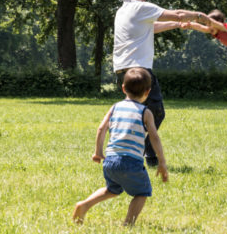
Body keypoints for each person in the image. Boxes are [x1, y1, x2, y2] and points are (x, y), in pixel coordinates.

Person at [113, 0, 226, 166]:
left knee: (138, 114)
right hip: (139, 70)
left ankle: (146, 157)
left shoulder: (122, 11)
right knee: (156, 112)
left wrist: (176, 24)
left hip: (122, 70)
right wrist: (201, 16)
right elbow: (180, 13)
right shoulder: (140, 7)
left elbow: (152, 28)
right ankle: (137, 152)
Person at [72, 68, 168, 226]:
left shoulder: (115, 107)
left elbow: (102, 128)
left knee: (112, 189)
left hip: (110, 161)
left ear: (123, 88)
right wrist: (162, 162)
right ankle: (128, 225)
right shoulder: (146, 112)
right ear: (148, 91)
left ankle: (84, 205)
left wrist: (98, 152)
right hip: (131, 162)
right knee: (142, 193)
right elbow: (154, 137)